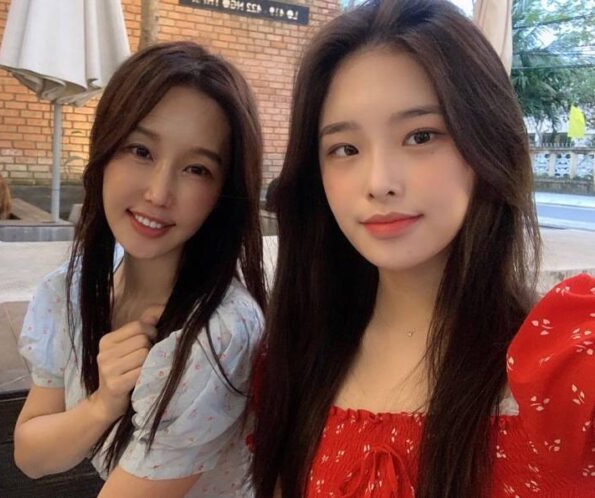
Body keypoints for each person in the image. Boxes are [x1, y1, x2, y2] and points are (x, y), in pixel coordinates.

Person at [251, 1, 595, 497]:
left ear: (487, 143)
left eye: (420, 136)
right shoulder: (292, 360)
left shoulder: (566, 366)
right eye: (345, 148)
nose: (379, 183)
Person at [14, 41, 266, 498]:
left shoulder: (217, 337)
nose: (158, 193)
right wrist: (102, 404)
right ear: (105, 148)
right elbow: (31, 455)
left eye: (196, 169)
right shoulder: (70, 293)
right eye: (140, 150)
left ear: (223, 194)